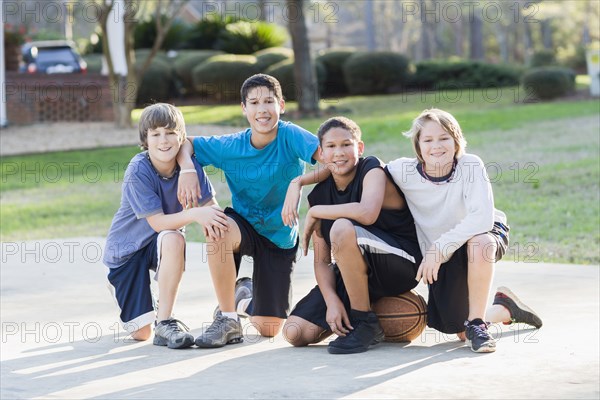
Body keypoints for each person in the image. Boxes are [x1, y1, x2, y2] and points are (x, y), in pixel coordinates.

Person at [176, 74, 320, 348]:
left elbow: (334, 159)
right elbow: (186, 143)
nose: (262, 109)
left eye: (268, 101)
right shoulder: (232, 146)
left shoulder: (291, 135)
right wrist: (186, 170)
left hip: (279, 235)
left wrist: (298, 181)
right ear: (244, 109)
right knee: (216, 227)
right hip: (242, 227)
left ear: (282, 105)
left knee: (268, 328)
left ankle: (243, 294)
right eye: (253, 103)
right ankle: (228, 317)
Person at [386, 108, 543, 353]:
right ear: (418, 146)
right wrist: (304, 183)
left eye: (444, 138)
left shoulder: (470, 165)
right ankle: (505, 307)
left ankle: (479, 325)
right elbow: (362, 168)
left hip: (481, 234)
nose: (436, 146)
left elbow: (481, 219)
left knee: (481, 243)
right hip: (446, 250)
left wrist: (438, 249)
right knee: (458, 328)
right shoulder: (402, 171)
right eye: (428, 140)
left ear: (456, 140)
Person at [281, 116, 422, 354]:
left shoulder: (371, 169)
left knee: (341, 227)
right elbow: (322, 261)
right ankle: (366, 311)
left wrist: (316, 212)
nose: (339, 152)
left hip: (400, 263)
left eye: (346, 144)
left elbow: (366, 213)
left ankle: (364, 321)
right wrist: (332, 301)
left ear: (360, 147)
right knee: (295, 332)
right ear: (322, 154)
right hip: (355, 272)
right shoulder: (319, 195)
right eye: (331, 146)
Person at [103, 103, 228, 349]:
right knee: (140, 333)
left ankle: (165, 322)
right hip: (127, 252)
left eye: (170, 133)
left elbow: (212, 210)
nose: (164, 140)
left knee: (174, 238)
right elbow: (158, 222)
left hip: (162, 243)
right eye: (156, 134)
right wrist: (196, 214)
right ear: (145, 140)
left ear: (181, 137)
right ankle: (122, 289)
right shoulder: (138, 169)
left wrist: (229, 233)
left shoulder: (189, 169)